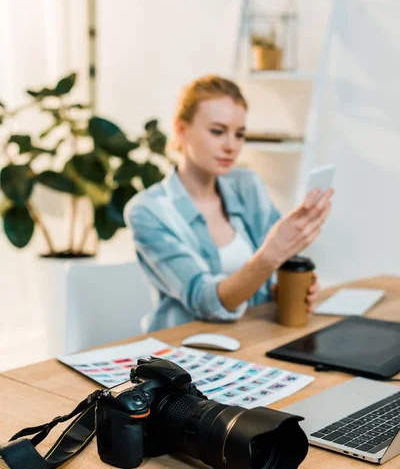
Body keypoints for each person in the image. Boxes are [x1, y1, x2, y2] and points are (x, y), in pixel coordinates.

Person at [125, 75, 333, 332]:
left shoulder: (247, 185)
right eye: (217, 131)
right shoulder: (148, 211)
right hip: (184, 352)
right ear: (181, 130)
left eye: (239, 134)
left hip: (254, 339)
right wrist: (271, 256)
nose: (231, 146)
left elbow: (276, 275)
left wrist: (298, 283)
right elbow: (204, 300)